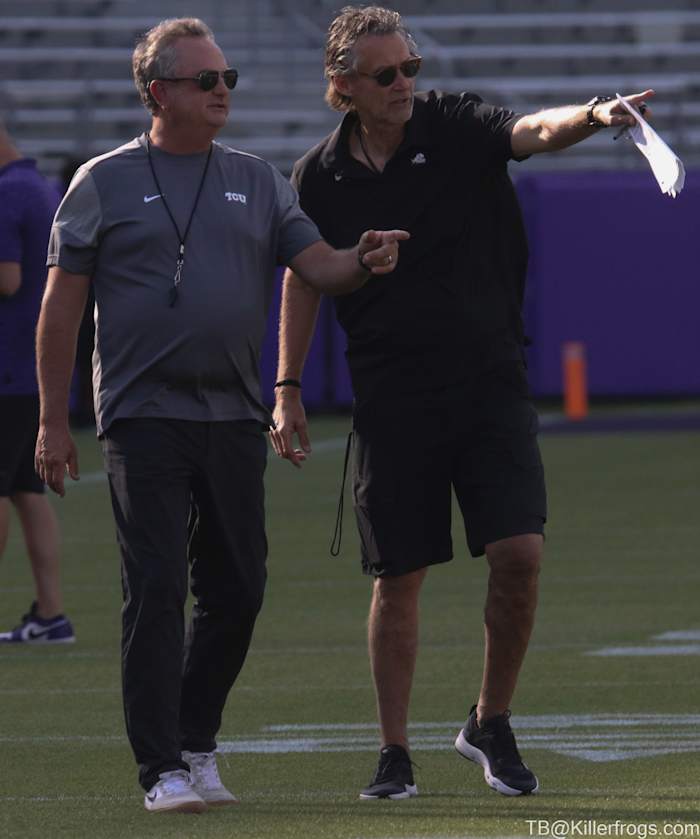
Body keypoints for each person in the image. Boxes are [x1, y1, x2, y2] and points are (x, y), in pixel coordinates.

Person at [270, 5, 653, 800]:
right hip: (392, 396)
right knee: (399, 575)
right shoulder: (318, 174)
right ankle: (393, 748)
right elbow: (302, 274)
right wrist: (287, 386)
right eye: (386, 75)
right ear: (342, 86)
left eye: (410, 67)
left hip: (487, 381)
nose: (406, 84)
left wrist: (592, 114)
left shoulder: (452, 124)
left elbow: (533, 133)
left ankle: (491, 718)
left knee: (520, 554)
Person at [35, 17, 407, 815]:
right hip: (142, 413)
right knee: (157, 583)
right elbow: (60, 311)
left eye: (227, 78)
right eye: (206, 81)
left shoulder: (259, 178)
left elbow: (319, 266)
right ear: (157, 91)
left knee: (239, 587)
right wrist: (50, 420)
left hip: (235, 414)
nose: (222, 92)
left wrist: (364, 257)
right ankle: (160, 768)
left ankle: (196, 740)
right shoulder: (101, 180)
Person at [0, 123, 75, 646]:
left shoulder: (7, 192)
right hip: (31, 366)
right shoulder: (40, 187)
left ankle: (51, 615)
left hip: (5, 367)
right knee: (28, 490)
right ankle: (51, 614)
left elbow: (8, 278)